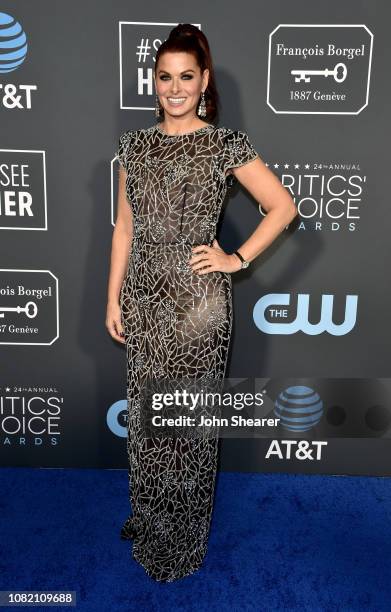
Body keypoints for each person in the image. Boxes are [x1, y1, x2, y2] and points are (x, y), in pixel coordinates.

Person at [106, 23, 297, 583]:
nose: (174, 88)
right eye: (165, 77)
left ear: (204, 80)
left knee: (185, 429)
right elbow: (123, 228)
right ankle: (149, 516)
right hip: (143, 297)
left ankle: (180, 543)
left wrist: (236, 260)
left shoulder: (224, 144)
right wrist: (113, 297)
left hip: (197, 307)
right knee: (145, 420)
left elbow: (282, 206)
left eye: (186, 77)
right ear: (154, 81)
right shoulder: (132, 146)